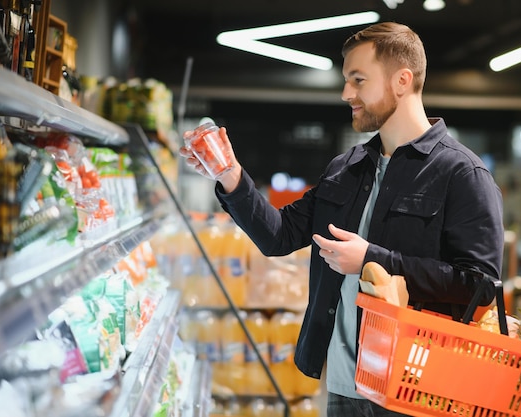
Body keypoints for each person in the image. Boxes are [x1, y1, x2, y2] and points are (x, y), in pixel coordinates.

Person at [181, 21, 504, 417]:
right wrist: (229, 175)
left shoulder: (463, 175)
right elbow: (278, 236)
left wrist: (374, 259)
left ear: (402, 81)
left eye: (358, 79)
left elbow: (481, 284)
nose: (346, 93)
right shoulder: (345, 168)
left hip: (416, 391)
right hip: (345, 383)